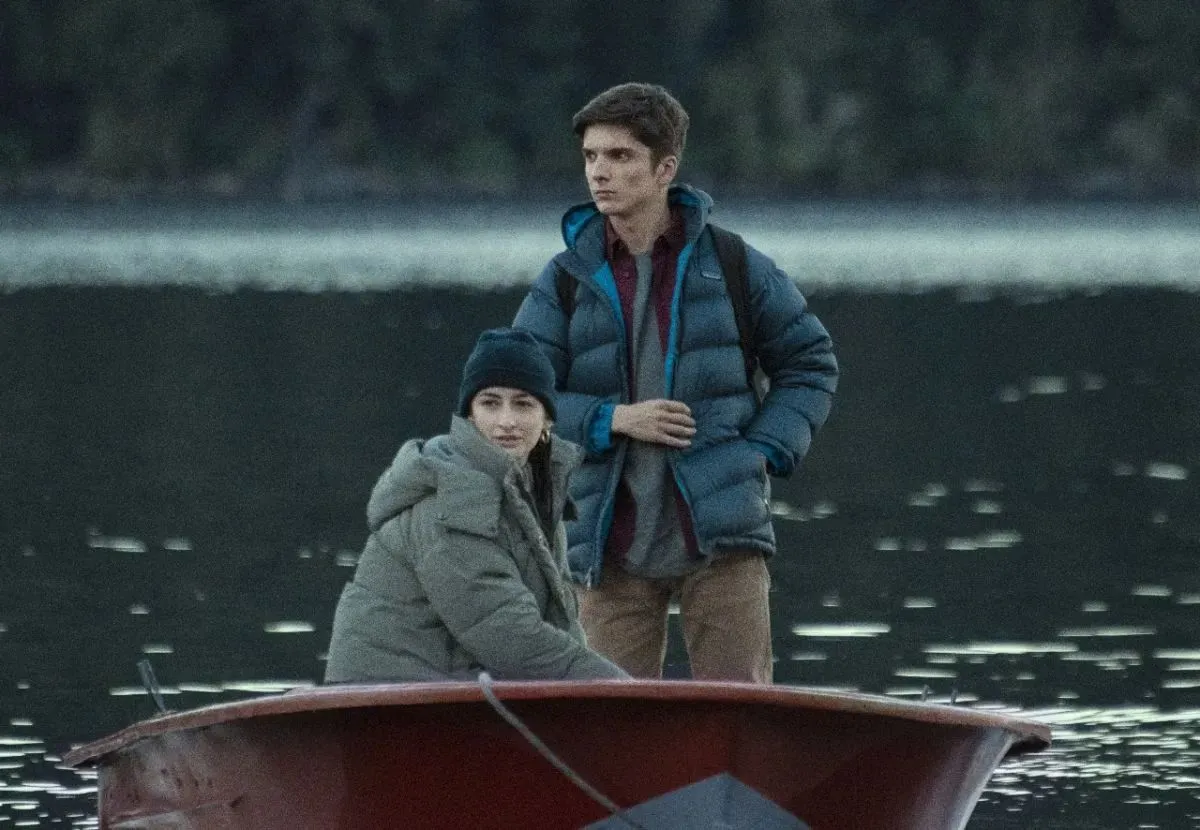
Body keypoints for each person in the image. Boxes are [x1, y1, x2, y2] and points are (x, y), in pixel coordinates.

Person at [513, 82, 838, 684]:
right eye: (590, 157)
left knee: (741, 720)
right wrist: (612, 419)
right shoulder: (563, 279)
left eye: (619, 157)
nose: (599, 173)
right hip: (607, 543)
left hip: (722, 540)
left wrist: (760, 450)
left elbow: (810, 363)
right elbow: (518, 398)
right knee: (607, 732)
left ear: (665, 168)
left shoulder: (734, 264)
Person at [324, 327, 628, 683]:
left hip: (453, 693)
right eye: (490, 402)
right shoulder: (455, 500)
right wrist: (620, 689)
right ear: (469, 416)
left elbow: (557, 624)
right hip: (383, 703)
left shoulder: (536, 492)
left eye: (523, 403)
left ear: (547, 419)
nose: (507, 421)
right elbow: (506, 635)